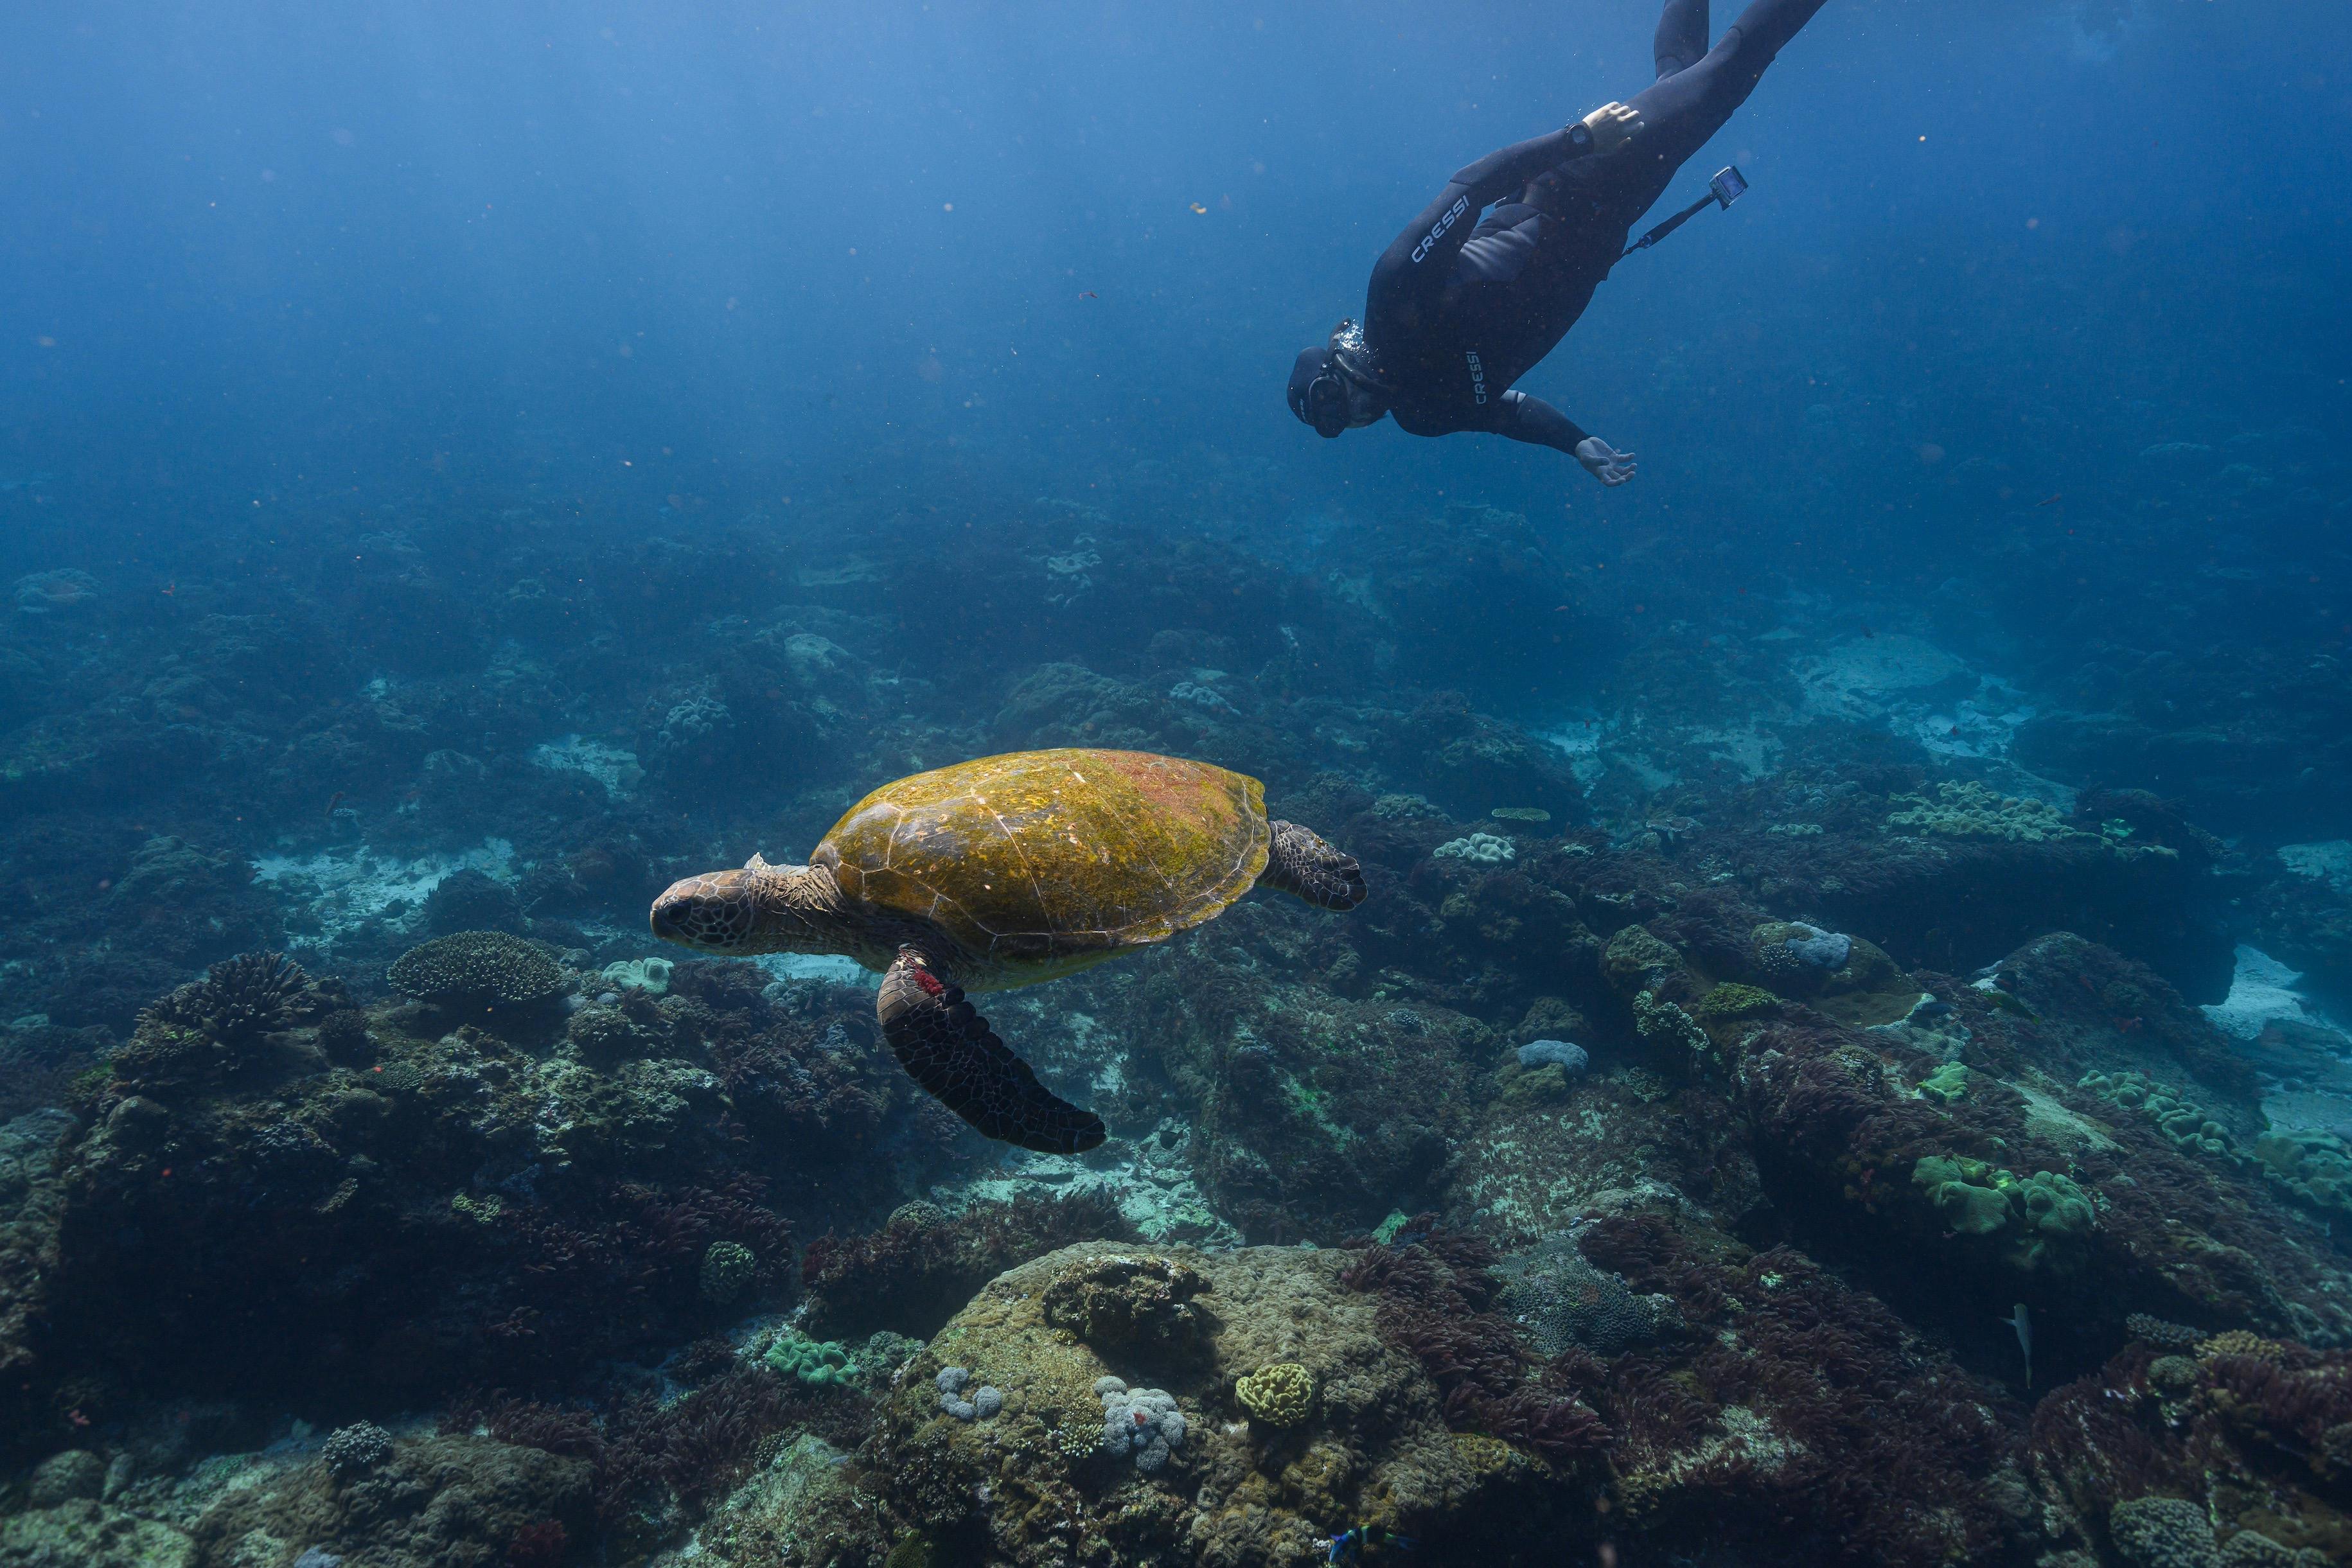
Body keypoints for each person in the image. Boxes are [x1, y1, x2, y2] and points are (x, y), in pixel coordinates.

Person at [1286, 0, 1830, 486]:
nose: (1353, 415)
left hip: (1577, 182)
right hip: (1609, 222)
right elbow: (1508, 414)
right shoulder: (1424, 415)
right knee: (1684, 76)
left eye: (1333, 400)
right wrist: (1575, 443)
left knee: (1723, 81)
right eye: (1340, 425)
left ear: (1335, 365)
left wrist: (1580, 138)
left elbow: (1472, 186)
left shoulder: (1395, 290)